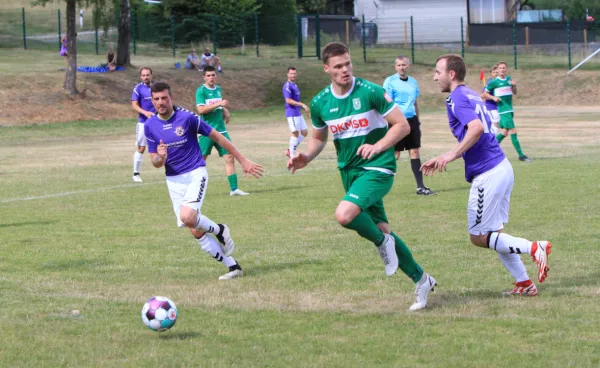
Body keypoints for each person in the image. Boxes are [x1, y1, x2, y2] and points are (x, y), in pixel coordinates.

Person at [287, 42, 437, 311]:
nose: (345, 70)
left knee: (345, 214)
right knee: (382, 229)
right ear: (326, 69)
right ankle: (421, 279)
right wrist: (306, 157)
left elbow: (402, 125)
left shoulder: (371, 92)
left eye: (347, 64)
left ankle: (383, 245)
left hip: (379, 167)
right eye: (338, 66)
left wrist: (378, 146)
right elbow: (320, 138)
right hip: (350, 171)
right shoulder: (320, 102)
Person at [422, 54, 551, 295]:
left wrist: (450, 155)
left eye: (437, 72)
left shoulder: (456, 98)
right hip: (501, 167)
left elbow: (477, 128)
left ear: (451, 74)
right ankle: (524, 284)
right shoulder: (472, 94)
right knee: (494, 234)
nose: (434, 77)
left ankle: (534, 247)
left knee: (478, 237)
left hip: (489, 173)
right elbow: (478, 131)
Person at [144, 82, 263, 280]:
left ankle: (220, 229)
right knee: (194, 229)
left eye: (164, 98)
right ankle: (233, 267)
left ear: (171, 98)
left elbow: (218, 137)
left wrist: (242, 159)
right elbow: (155, 162)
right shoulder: (150, 126)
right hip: (173, 180)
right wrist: (161, 157)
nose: (160, 102)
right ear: (152, 101)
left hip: (195, 172)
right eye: (156, 99)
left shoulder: (187, 118)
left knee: (188, 216)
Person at [383, 55, 435, 196]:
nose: (402, 67)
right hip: (397, 122)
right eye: (399, 65)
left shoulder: (413, 82)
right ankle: (380, 185)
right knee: (395, 153)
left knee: (415, 152)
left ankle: (420, 187)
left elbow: (415, 103)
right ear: (395, 67)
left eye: (404, 65)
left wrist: (417, 122)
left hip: (411, 121)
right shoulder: (390, 81)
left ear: (409, 66)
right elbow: (386, 104)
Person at [196, 66, 248, 196]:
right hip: (207, 131)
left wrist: (225, 111)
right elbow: (201, 110)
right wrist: (219, 105)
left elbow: (217, 106)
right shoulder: (201, 91)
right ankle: (194, 188)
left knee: (230, 157)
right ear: (204, 77)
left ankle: (234, 189)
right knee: (200, 161)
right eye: (208, 75)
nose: (211, 77)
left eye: (213, 75)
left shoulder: (218, 89)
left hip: (221, 130)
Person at [481, 61, 531, 162]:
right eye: (500, 68)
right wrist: (493, 97)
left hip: (510, 109)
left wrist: (514, 85)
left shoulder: (509, 79)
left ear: (506, 69)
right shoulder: (493, 82)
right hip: (503, 110)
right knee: (513, 131)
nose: (502, 70)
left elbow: (515, 92)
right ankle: (521, 155)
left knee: (504, 132)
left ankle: (487, 150)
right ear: (497, 70)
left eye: (504, 68)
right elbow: (484, 95)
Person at [131, 67, 155, 182]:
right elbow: (134, 104)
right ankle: (136, 174)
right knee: (141, 147)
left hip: (158, 122)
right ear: (141, 77)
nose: (146, 77)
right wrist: (145, 113)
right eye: (144, 75)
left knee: (167, 145)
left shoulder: (157, 87)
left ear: (151, 75)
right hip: (143, 123)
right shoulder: (138, 88)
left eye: (148, 75)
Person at [282, 67, 310, 158]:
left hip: (297, 112)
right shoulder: (287, 86)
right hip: (292, 113)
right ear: (288, 74)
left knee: (305, 132)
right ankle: (292, 155)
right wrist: (302, 104)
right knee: (295, 134)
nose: (293, 75)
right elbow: (288, 100)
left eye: (294, 73)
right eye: (291, 73)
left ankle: (290, 150)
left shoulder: (295, 85)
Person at [481, 64, 500, 134]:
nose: (496, 74)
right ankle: (493, 142)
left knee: (495, 125)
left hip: (499, 107)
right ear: (491, 73)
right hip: (491, 107)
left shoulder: (499, 82)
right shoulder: (490, 83)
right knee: (495, 124)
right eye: (494, 72)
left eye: (497, 72)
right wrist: (493, 98)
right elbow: (483, 95)